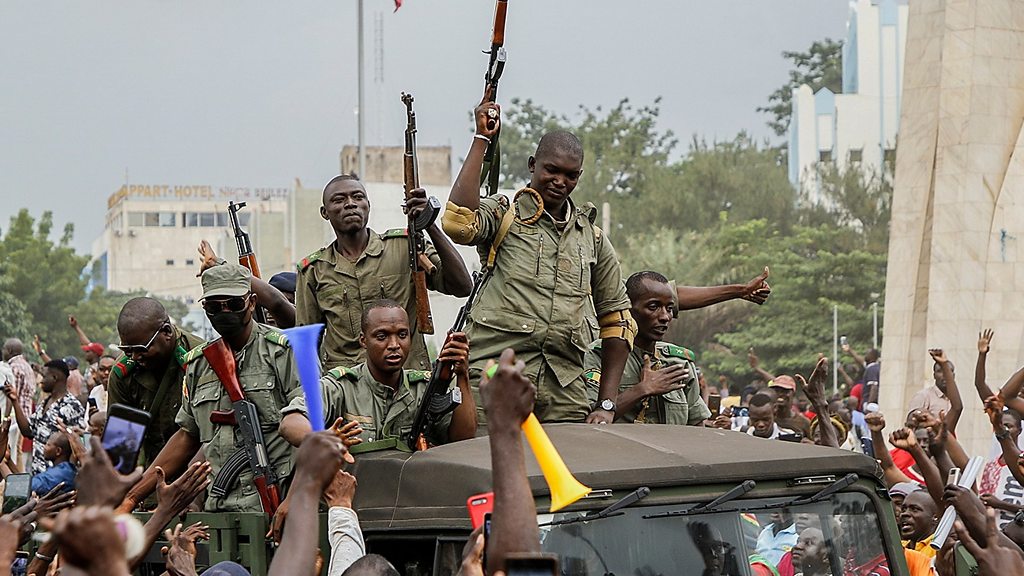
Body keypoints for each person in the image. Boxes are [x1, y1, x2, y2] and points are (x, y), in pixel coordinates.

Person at [443, 102, 635, 425]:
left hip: (563, 395)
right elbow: (457, 223)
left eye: (570, 175)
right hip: (493, 378)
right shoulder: (505, 214)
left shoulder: (593, 238)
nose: (560, 181)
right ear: (533, 165)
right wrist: (481, 139)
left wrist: (606, 403)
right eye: (551, 170)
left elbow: (618, 322)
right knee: (488, 471)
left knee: (560, 474)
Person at [119, 264, 309, 513]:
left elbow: (312, 434)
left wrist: (292, 500)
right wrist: (132, 498)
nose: (224, 312)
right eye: (214, 306)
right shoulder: (199, 364)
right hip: (219, 506)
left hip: (277, 501)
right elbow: (187, 435)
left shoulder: (285, 352)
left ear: (252, 303)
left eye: (233, 304)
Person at [295, 174, 472, 371]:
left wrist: (428, 223)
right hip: (348, 389)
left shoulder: (405, 247)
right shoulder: (314, 271)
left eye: (358, 197)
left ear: (368, 205)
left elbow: (462, 286)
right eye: (339, 200)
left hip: (408, 382)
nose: (350, 204)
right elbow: (306, 345)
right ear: (324, 212)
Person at [285, 300, 477, 447]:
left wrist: (462, 376)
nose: (394, 345)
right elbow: (290, 422)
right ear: (363, 340)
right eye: (382, 336)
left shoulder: (423, 388)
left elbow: (462, 439)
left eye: (402, 335)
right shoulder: (342, 386)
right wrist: (322, 439)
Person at [583, 271, 711, 425]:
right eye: (653, 306)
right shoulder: (598, 357)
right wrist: (641, 390)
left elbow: (697, 426)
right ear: (628, 308)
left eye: (669, 308)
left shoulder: (678, 363)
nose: (664, 316)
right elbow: (589, 422)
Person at [106, 297, 205, 465]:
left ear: (166, 332)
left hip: (198, 466)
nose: (135, 357)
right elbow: (122, 446)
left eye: (141, 349)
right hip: (151, 468)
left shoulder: (200, 361)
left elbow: (208, 436)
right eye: (128, 350)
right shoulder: (123, 373)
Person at [5, 359, 86, 474]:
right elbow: (27, 431)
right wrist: (15, 401)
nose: (41, 381)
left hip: (57, 479)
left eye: (44, 377)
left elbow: (77, 445)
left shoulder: (72, 406)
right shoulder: (44, 404)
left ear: (54, 377)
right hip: (39, 475)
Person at [3, 338, 36, 468]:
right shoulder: (26, 366)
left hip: (16, 417)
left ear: (10, 350)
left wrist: (6, 418)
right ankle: (19, 481)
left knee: (9, 451)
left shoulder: (14, 368)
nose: (3, 352)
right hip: (25, 416)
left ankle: (13, 483)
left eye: (4, 349)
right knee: (17, 452)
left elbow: (11, 395)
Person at [899, 489, 938, 559]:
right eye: (903, 509)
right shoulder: (896, 547)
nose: (904, 514)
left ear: (935, 517)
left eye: (914, 509)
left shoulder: (939, 549)